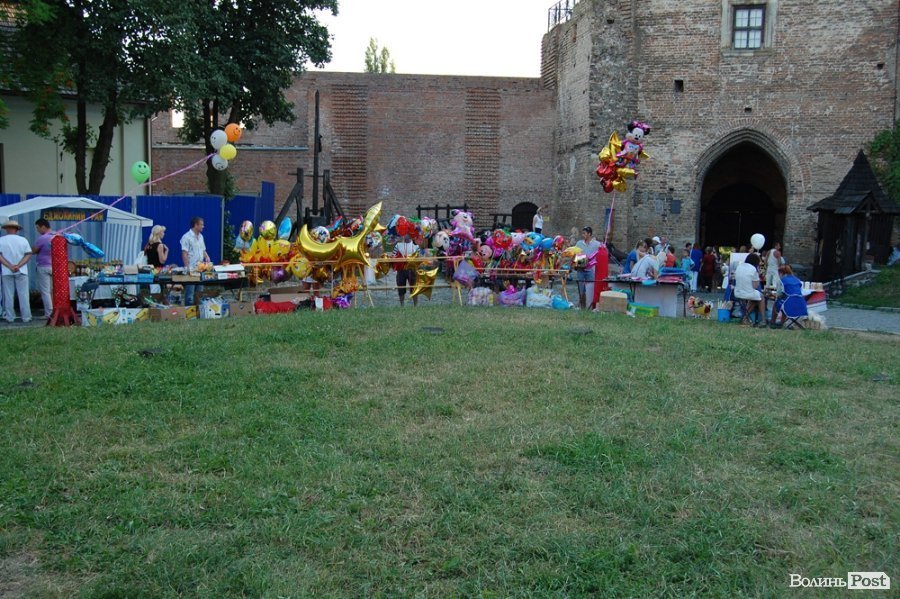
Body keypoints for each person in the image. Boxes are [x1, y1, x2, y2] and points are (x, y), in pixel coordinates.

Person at [0, 220, 33, 323]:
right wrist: (18, 265)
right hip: (21, 270)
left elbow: (0, 256)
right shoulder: (23, 240)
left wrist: (10, 266)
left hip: (7, 271)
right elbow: (28, 254)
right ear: (17, 229)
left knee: (8, 294)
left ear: (7, 229)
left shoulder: (1, 240)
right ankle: (26, 316)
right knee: (23, 294)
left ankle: (10, 316)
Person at [180, 217, 210, 306]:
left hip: (201, 268)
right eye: (201, 224)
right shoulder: (186, 237)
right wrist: (187, 268)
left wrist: (207, 257)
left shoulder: (201, 237)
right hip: (191, 268)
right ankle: (188, 311)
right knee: (190, 293)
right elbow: (184, 253)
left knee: (199, 293)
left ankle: (199, 310)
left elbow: (203, 249)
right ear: (196, 225)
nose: (203, 226)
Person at [734, 253, 767, 326]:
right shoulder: (753, 269)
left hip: (738, 292)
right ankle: (763, 319)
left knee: (754, 299)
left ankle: (745, 318)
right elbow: (755, 286)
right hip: (748, 293)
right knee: (760, 297)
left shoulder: (739, 266)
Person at [32, 218, 54, 316]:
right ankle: (55, 310)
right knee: (53, 290)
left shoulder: (42, 238)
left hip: (43, 266)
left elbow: (34, 250)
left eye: (38, 228)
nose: (37, 230)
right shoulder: (56, 236)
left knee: (45, 291)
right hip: (54, 266)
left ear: (43, 227)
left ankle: (49, 313)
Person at [575, 226, 601, 309]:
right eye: (582, 233)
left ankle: (590, 305)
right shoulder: (579, 243)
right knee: (581, 288)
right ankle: (582, 305)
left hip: (590, 269)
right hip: (580, 268)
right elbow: (575, 254)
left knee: (591, 287)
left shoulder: (596, 244)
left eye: (584, 233)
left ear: (589, 234)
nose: (583, 235)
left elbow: (602, 250)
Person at [394, 233, 420, 306]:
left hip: (412, 269)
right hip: (401, 270)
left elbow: (419, 258)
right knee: (401, 287)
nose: (405, 235)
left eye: (407, 233)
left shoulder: (416, 246)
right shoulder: (398, 245)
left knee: (414, 287)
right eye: (404, 233)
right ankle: (402, 305)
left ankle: (416, 305)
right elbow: (393, 256)